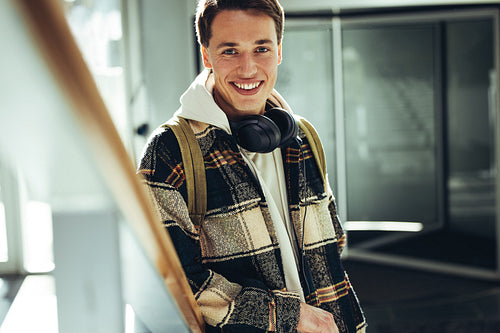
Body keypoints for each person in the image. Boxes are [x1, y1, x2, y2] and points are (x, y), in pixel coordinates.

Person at [138, 0, 366, 332]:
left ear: (279, 51)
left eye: (261, 48)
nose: (248, 69)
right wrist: (289, 316)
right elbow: (176, 282)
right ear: (206, 55)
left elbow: (333, 246)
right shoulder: (169, 152)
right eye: (230, 51)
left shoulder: (302, 136)